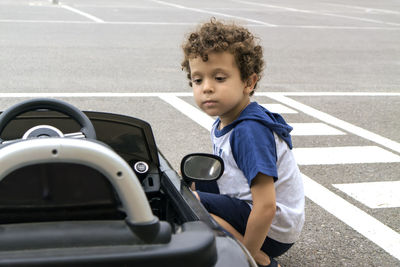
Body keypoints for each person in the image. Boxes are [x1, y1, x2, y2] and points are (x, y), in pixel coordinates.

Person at [181, 18, 305, 267]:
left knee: (190, 202)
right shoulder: (226, 119)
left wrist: (246, 258)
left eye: (219, 78)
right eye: (198, 80)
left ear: (248, 82)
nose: (206, 88)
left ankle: (257, 258)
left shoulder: (249, 132)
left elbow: (267, 206)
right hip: (262, 216)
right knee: (186, 186)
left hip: (272, 229)